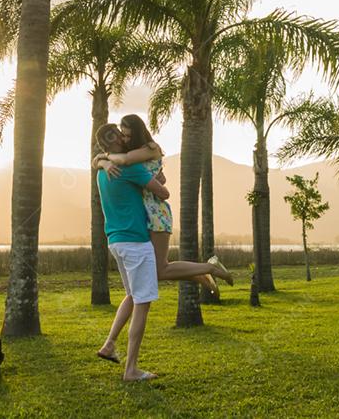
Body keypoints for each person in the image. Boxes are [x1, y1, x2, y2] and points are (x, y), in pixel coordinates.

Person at [94, 114, 234, 292]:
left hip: (157, 212)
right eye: (123, 134)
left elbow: (125, 160)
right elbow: (115, 163)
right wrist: (102, 161)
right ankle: (202, 274)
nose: (124, 138)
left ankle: (209, 268)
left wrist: (105, 158)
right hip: (147, 213)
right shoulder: (133, 154)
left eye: (128, 135)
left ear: (138, 133)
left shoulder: (150, 148)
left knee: (160, 269)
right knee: (159, 269)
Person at [92, 123, 167, 381]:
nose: (126, 138)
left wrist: (101, 161)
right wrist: (156, 180)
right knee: (142, 304)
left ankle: (109, 344)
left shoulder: (103, 172)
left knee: (132, 296)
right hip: (136, 242)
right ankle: (131, 369)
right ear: (115, 141)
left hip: (115, 241)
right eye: (121, 135)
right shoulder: (129, 168)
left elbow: (100, 162)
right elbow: (164, 192)